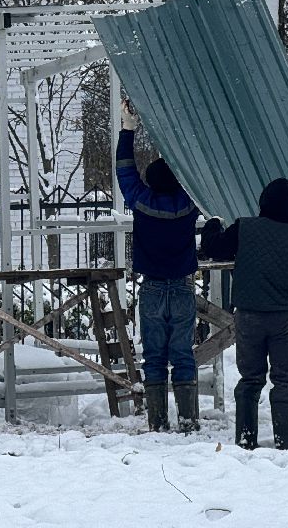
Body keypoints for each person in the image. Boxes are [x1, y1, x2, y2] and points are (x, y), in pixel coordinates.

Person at [201, 178, 288, 450]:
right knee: (287, 380)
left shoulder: (245, 228)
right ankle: (286, 442)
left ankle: (245, 439)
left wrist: (213, 224)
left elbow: (214, 248)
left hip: (249, 317)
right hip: (286, 320)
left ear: (263, 202)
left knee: (250, 379)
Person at [117, 99, 200, 433]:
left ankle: (158, 421)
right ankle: (190, 420)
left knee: (154, 356)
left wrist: (128, 128)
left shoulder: (141, 201)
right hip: (182, 286)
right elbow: (200, 171)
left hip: (151, 287)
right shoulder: (189, 202)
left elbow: (125, 170)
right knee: (183, 353)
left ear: (150, 181)